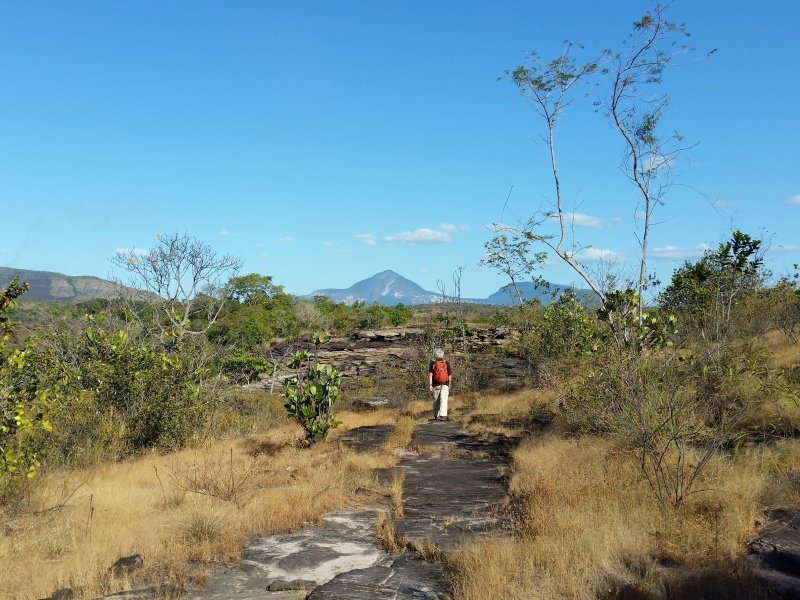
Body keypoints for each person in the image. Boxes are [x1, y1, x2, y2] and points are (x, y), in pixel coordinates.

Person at [428, 347, 452, 421]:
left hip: (436, 384)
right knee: (444, 399)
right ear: (442, 354)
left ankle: (436, 415)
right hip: (445, 384)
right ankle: (443, 415)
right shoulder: (446, 363)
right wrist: (449, 384)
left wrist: (430, 385)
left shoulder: (432, 363)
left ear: (435, 355)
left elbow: (430, 375)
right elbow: (449, 375)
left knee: (436, 400)